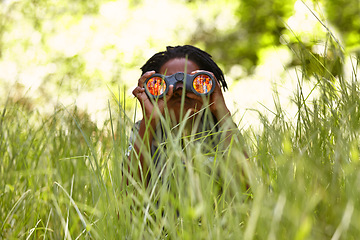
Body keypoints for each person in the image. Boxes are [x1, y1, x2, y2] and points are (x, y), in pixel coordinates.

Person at [129, 45, 247, 185]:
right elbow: (128, 195)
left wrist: (221, 112)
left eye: (195, 82)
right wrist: (149, 123)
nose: (179, 90)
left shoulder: (220, 128)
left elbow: (249, 190)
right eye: (164, 83)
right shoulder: (144, 130)